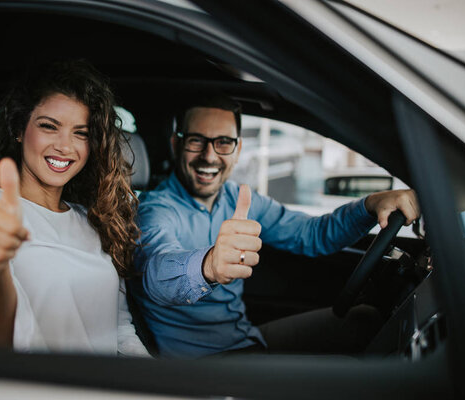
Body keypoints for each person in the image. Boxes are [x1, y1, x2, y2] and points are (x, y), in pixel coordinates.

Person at [130, 95, 420, 358]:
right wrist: (208, 267)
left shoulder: (238, 198)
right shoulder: (156, 210)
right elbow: (156, 270)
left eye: (223, 142)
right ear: (176, 144)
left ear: (238, 149)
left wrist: (370, 205)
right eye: (196, 140)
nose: (209, 155)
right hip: (207, 365)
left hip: (245, 338)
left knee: (364, 320)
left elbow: (313, 235)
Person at [0, 60, 149, 356]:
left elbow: (119, 331)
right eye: (49, 127)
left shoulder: (92, 219)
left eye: (81, 133)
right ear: (18, 129)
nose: (65, 146)